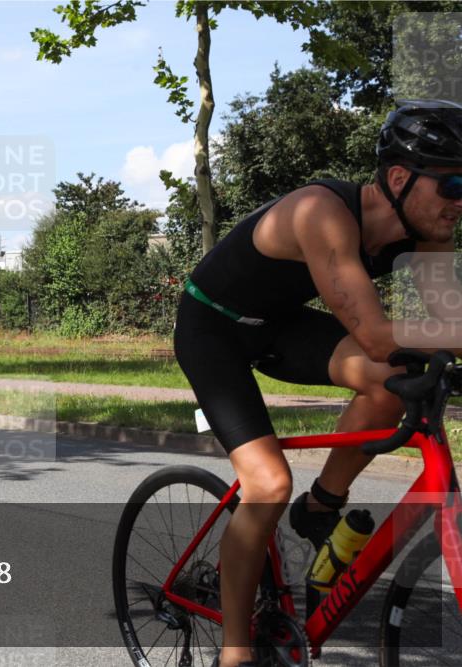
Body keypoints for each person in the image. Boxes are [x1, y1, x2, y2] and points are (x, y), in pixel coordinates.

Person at [172, 99, 462, 667]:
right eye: (453, 183)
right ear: (400, 178)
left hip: (281, 326)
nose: (461, 202)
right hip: (213, 328)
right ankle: (235, 653)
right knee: (267, 485)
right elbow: (378, 334)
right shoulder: (320, 212)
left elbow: (446, 328)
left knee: (395, 380)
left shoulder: (428, 230)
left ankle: (321, 506)